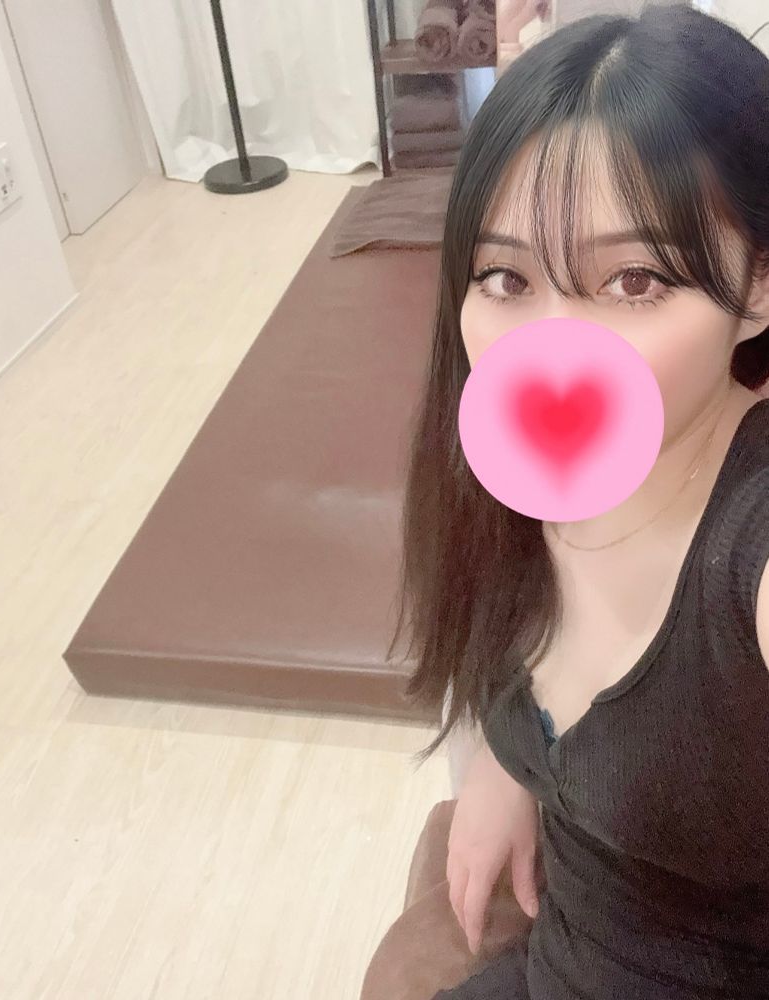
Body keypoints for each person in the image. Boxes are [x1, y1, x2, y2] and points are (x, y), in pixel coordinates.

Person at [386, 4, 769, 998]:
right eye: (505, 276)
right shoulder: (513, 472)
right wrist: (505, 766)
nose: (548, 353)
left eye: (633, 280)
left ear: (758, 286)